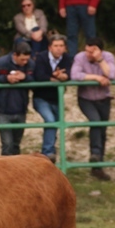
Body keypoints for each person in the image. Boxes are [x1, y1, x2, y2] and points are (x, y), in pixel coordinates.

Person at [71, 36, 115, 180]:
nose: (88, 54)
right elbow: (75, 75)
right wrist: (96, 78)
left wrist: (100, 60)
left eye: (92, 52)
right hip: (86, 99)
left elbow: (113, 75)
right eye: (87, 51)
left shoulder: (108, 57)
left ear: (99, 51)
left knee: (102, 130)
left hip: (104, 99)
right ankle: (95, 153)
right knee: (95, 121)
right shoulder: (80, 57)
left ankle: (98, 167)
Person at [0, 41, 35, 156]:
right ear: (15, 55)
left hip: (21, 109)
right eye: (22, 59)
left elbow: (37, 79)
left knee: (16, 143)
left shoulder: (30, 64)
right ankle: (5, 169)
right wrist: (5, 78)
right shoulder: (0, 63)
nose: (25, 62)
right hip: (3, 109)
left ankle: (15, 170)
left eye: (27, 59)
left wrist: (25, 77)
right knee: (7, 144)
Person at [31, 34, 72, 163]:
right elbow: (38, 75)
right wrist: (53, 77)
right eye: (56, 46)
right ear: (50, 47)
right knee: (50, 120)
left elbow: (71, 73)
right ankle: (47, 152)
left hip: (58, 98)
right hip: (41, 97)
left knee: (56, 123)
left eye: (61, 46)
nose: (58, 49)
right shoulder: (41, 57)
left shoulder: (68, 58)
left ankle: (50, 152)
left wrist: (64, 77)